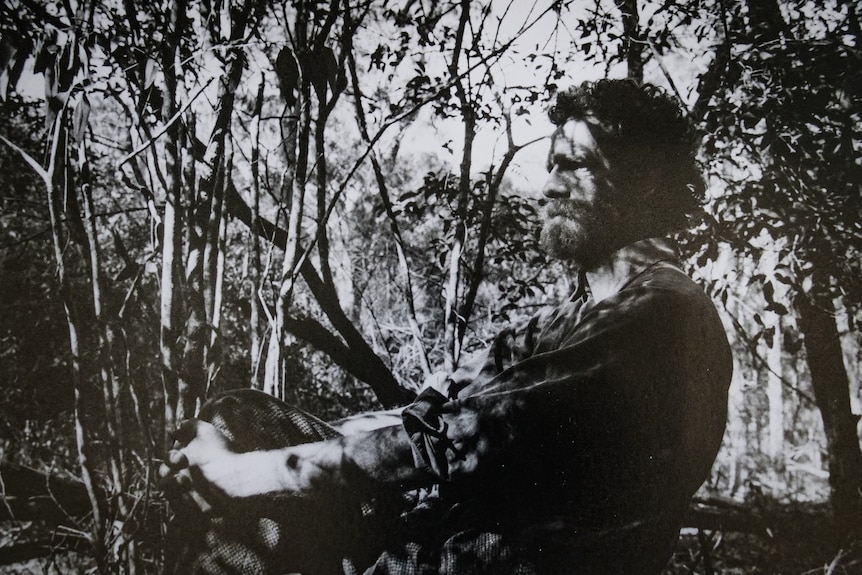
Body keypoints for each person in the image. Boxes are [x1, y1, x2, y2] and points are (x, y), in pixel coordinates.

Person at [160, 79, 732, 574]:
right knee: (241, 420)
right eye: (550, 166)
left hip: (485, 562)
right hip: (439, 544)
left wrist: (245, 474)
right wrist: (254, 455)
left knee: (250, 496)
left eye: (575, 165)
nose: (550, 186)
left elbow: (456, 443)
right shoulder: (566, 321)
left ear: (648, 182)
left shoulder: (662, 312)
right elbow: (427, 414)